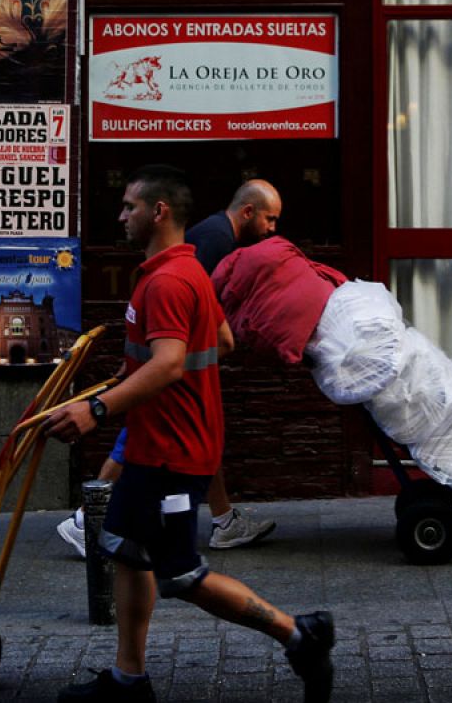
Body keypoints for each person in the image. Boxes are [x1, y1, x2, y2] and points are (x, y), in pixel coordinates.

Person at [46, 166, 332, 703]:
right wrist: (151, 371)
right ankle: (129, 680)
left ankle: (300, 635)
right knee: (127, 551)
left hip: (171, 456)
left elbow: (171, 363)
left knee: (180, 574)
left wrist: (98, 408)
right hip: (156, 446)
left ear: (158, 212)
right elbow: (220, 340)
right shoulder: (185, 270)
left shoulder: (168, 281)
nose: (121, 216)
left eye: (130, 206)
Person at [57, 179, 283, 556]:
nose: (272, 228)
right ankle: (85, 521)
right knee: (140, 442)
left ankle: (222, 520)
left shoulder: (212, 238)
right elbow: (197, 318)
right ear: (248, 212)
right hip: (170, 370)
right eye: (269, 219)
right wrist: (181, 364)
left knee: (194, 440)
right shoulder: (213, 243)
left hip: (171, 367)